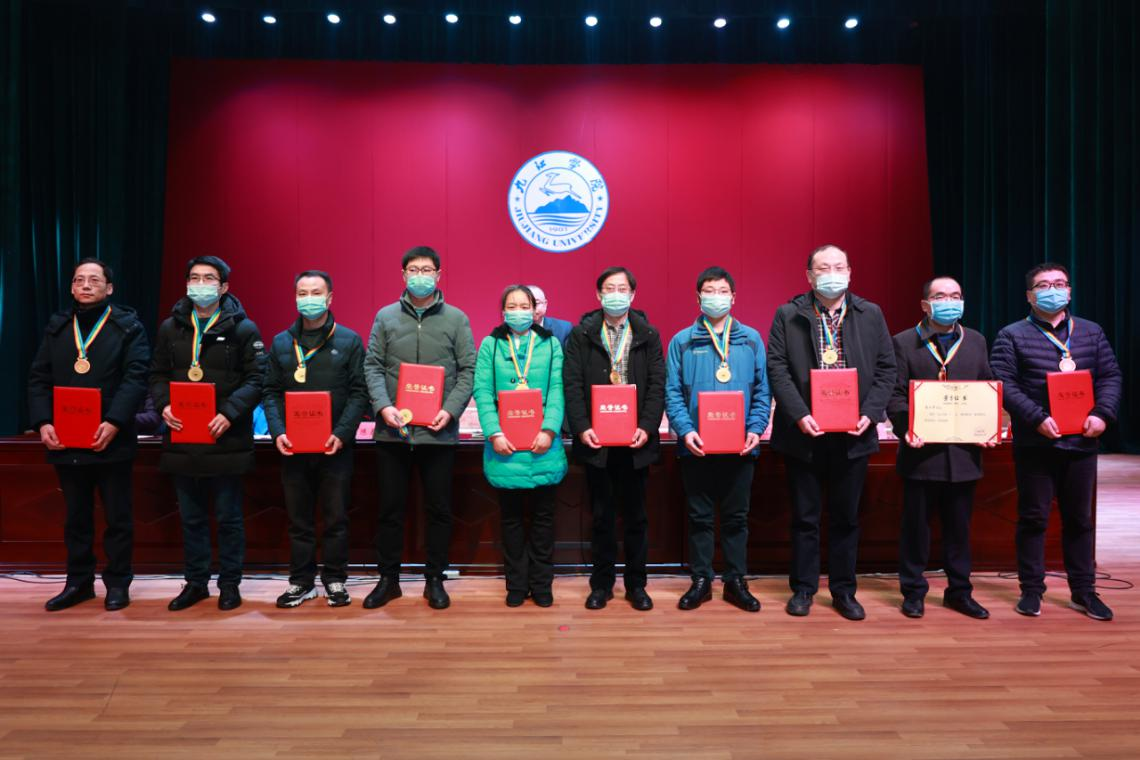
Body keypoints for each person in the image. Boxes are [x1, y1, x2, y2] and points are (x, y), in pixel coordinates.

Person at [766, 244, 896, 620]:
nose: (832, 274)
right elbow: (777, 368)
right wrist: (799, 414)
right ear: (809, 276)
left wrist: (870, 414)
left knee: (846, 518)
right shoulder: (788, 314)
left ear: (850, 272)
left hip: (854, 435)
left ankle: (843, 591)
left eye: (839, 267)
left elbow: (886, 368)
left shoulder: (870, 313)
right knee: (805, 518)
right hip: (804, 434)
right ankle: (803, 589)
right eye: (823, 268)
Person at [990, 262, 1122, 621]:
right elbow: (1004, 383)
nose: (1053, 290)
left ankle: (1084, 591)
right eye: (1044, 285)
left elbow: (1110, 375)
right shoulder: (1012, 335)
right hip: (1036, 444)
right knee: (1033, 518)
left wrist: (1103, 413)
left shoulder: (1091, 332)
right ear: (1029, 296)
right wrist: (1036, 418)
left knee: (1080, 520)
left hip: (1082, 442)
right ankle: (1031, 590)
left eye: (1059, 283)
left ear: (1070, 291)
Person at [27, 259, 150, 611]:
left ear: (109, 288)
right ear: (71, 287)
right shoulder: (58, 326)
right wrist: (43, 422)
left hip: (111, 436)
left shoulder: (128, 326)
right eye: (79, 280)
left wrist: (114, 421)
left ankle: (118, 583)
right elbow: (38, 378)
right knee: (76, 518)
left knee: (118, 518)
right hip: (66, 437)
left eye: (94, 280)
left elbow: (136, 377)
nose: (85, 285)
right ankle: (78, 583)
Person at [362, 246, 476, 610]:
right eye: (414, 269)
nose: (420, 276)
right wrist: (383, 406)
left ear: (439, 275)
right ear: (403, 275)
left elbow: (468, 370)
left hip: (438, 433)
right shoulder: (385, 316)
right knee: (390, 510)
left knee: (439, 510)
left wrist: (450, 410)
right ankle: (388, 580)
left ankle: (435, 580)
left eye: (427, 270)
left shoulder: (456, 319)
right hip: (392, 432)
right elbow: (372, 366)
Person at [150, 255, 266, 611]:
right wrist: (163, 405)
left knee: (229, 519)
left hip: (226, 437)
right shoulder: (170, 328)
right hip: (183, 437)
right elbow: (157, 374)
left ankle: (230, 585)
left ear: (224, 286)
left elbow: (257, 379)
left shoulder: (244, 329)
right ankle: (196, 583)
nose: (201, 284)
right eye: (194, 278)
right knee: (191, 518)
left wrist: (229, 413)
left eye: (209, 278)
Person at [887, 276, 994, 620]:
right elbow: (895, 394)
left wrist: (988, 426)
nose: (949, 301)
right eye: (940, 296)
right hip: (921, 454)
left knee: (959, 531)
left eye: (955, 295)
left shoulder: (976, 341)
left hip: (964, 456)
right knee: (915, 530)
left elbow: (986, 388)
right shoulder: (903, 342)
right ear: (925, 304)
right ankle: (913, 592)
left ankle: (959, 592)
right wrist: (907, 427)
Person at [665, 267, 770, 612]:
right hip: (696, 447)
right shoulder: (682, 341)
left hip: (741, 447)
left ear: (733, 297)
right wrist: (686, 430)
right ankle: (701, 580)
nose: (716, 297)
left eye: (722, 291)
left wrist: (756, 428)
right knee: (700, 517)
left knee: (737, 518)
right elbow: (672, 393)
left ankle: (735, 581)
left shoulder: (751, 339)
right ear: (698, 298)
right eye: (709, 291)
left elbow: (763, 390)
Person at [262, 270, 368, 609]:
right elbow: (270, 391)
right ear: (295, 297)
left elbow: (359, 392)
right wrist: (278, 431)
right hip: (293, 448)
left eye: (316, 292)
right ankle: (301, 582)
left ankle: (335, 579)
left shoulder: (349, 340)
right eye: (302, 293)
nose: (309, 299)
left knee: (336, 518)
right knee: (299, 520)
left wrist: (342, 434)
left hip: (335, 447)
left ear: (330, 297)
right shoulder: (281, 342)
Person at [563, 266, 666, 611]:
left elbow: (657, 385)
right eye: (609, 288)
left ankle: (637, 585)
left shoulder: (648, 334)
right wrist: (582, 427)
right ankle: (601, 585)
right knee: (601, 518)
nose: (616, 294)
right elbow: (571, 384)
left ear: (633, 294)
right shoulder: (583, 334)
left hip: (636, 442)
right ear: (598, 294)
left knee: (637, 518)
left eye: (623, 288)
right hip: (597, 441)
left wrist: (647, 426)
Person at [472, 285, 567, 607]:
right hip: (505, 448)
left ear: (535, 309)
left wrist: (549, 430)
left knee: (543, 521)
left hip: (543, 447)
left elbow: (557, 389)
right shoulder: (491, 344)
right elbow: (483, 392)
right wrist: (494, 433)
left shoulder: (551, 344)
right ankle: (516, 585)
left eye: (524, 305)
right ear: (502, 311)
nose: (518, 311)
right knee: (511, 522)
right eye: (511, 306)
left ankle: (541, 585)